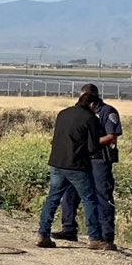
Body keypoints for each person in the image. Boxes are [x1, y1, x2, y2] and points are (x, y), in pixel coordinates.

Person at [37, 86, 112, 249]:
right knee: (89, 199)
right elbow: (93, 146)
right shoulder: (90, 118)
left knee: (53, 198)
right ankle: (95, 238)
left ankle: (43, 234)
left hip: (57, 162)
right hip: (76, 165)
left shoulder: (63, 113)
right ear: (92, 104)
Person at [54, 88, 123, 247]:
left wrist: (89, 143)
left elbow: (112, 136)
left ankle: (106, 236)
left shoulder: (107, 112)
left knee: (102, 196)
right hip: (81, 159)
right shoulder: (80, 112)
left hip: (99, 160)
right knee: (69, 193)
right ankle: (69, 229)